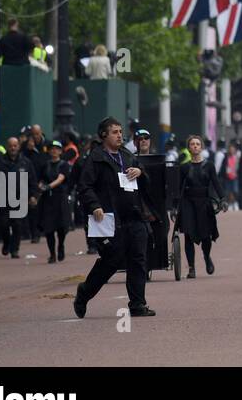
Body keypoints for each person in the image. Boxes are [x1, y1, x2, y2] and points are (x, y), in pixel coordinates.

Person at [73, 117, 156, 318]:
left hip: (134, 216)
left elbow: (146, 183)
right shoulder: (95, 158)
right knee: (111, 261)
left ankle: (137, 305)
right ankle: (84, 293)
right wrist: (95, 206)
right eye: (114, 132)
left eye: (120, 131)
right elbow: (84, 187)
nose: (120, 135)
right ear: (104, 135)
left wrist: (140, 171)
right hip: (110, 218)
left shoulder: (127, 155)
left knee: (138, 260)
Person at [178, 135, 223, 278]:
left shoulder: (209, 165)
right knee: (188, 235)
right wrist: (174, 207)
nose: (195, 146)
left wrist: (222, 199)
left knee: (206, 235)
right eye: (192, 144)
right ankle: (191, 268)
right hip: (188, 203)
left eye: (198, 144)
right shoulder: (184, 167)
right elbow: (178, 188)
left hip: (204, 202)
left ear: (201, 147)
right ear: (189, 147)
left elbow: (216, 182)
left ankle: (207, 256)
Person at [38, 140, 73, 263]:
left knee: (62, 227)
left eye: (56, 148)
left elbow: (61, 178)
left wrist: (48, 186)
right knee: (49, 228)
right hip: (48, 200)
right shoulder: (45, 165)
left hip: (60, 198)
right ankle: (52, 254)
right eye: (52, 148)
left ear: (60, 151)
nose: (54, 151)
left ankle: (61, 246)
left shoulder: (64, 165)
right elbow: (41, 179)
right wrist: (41, 185)